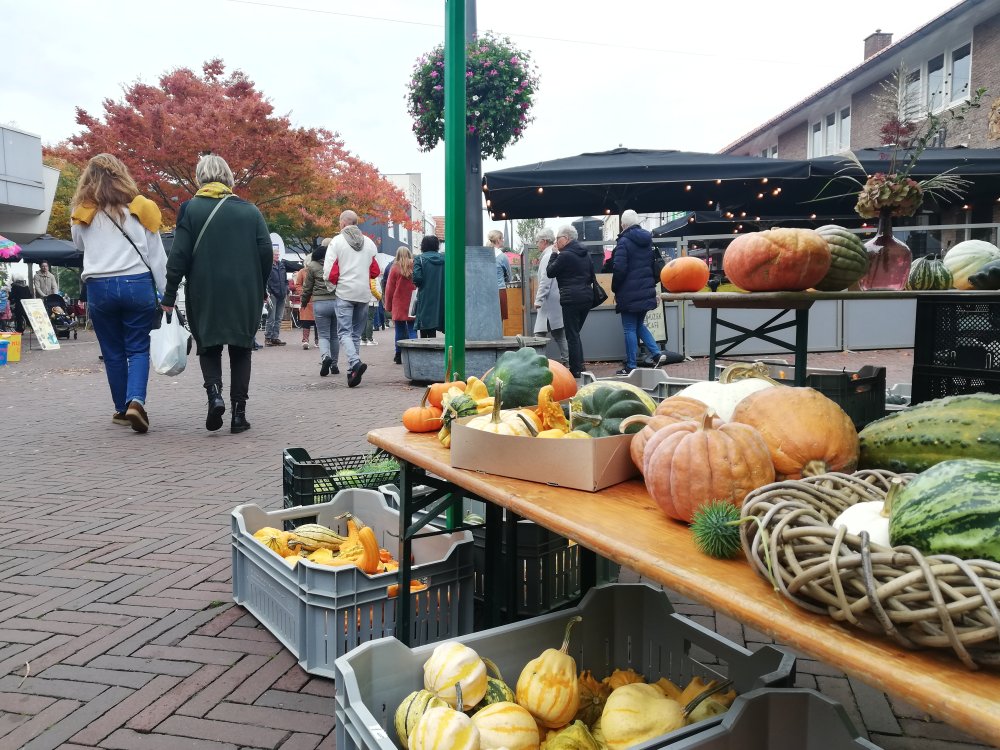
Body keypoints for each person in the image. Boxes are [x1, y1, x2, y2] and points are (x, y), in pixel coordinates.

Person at [161, 153, 272, 433]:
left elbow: (178, 256)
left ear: (200, 177)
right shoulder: (250, 211)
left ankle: (214, 395)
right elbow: (266, 252)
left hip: (204, 289)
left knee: (208, 346)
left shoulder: (190, 209)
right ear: (228, 177)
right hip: (244, 289)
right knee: (241, 348)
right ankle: (239, 413)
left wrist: (169, 296)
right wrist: (260, 285)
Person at [69, 152, 166, 433]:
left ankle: (122, 409)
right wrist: (166, 293)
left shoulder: (83, 210)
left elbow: (78, 245)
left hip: (99, 287)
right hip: (137, 284)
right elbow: (157, 256)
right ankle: (136, 400)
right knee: (138, 348)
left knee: (112, 351)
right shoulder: (142, 206)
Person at [323, 209, 380, 387]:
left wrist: (332, 287)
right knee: (355, 334)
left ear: (343, 223)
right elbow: (375, 271)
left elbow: (329, 271)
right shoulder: (369, 243)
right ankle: (352, 373)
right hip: (363, 294)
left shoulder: (337, 242)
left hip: (345, 293)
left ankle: (355, 362)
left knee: (344, 333)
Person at [546, 225, 593, 378]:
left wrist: (553, 254)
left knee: (572, 335)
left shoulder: (564, 255)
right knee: (575, 333)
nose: (556, 242)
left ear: (566, 239)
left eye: (557, 239)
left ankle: (575, 370)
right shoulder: (585, 253)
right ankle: (580, 364)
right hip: (586, 297)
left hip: (571, 298)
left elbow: (550, 272)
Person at [301, 241, 340, 377]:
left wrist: (304, 302)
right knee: (335, 336)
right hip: (336, 302)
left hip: (320, 303)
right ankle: (334, 365)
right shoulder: (336, 263)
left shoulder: (311, 266)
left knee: (323, 335)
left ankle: (325, 357)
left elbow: (307, 288)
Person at [532, 228, 569, 368]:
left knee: (540, 335)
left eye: (537, 241)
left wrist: (538, 299)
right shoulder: (551, 254)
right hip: (553, 301)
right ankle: (566, 361)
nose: (536, 244)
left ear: (544, 241)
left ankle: (538, 364)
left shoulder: (547, 256)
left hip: (548, 303)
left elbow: (545, 280)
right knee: (558, 333)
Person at [383, 245, 417, 364]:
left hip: (398, 303)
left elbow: (389, 289)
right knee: (412, 329)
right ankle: (414, 353)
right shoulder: (415, 266)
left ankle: (398, 354)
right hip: (412, 302)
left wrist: (388, 305)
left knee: (399, 330)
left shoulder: (394, 268)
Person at [412, 235, 445, 338]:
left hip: (425, 295)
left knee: (424, 325)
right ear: (437, 245)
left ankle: (426, 350)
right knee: (436, 323)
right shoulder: (445, 259)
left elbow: (417, 278)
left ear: (423, 245)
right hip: (441, 296)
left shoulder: (419, 259)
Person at [264, 234, 287, 346]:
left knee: (278, 318)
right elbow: (267, 280)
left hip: (282, 294)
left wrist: (286, 289)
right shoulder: (268, 266)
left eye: (278, 254)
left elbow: (284, 279)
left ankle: (275, 337)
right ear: (271, 256)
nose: (277, 256)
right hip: (272, 294)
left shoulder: (282, 266)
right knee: (271, 317)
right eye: (275, 254)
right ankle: (268, 337)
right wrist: (269, 292)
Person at [487, 229, 512, 320]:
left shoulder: (485, 254)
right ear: (498, 240)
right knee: (499, 318)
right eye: (502, 239)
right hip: (499, 289)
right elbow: (509, 276)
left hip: (486, 290)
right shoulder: (502, 256)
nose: (503, 240)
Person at [294, 264, 318, 349]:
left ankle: (318, 341)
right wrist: (303, 293)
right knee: (306, 321)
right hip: (306, 300)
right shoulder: (302, 271)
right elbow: (298, 285)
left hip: (317, 299)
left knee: (318, 321)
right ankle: (305, 341)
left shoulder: (318, 270)